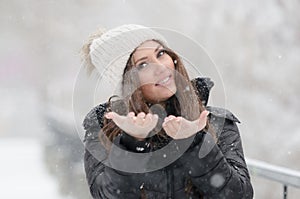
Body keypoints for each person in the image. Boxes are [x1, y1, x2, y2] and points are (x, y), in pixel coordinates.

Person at [81, 24, 253, 199]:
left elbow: (240, 195)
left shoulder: (215, 122)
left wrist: (195, 142)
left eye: (160, 54)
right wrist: (131, 143)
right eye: (143, 65)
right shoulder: (103, 131)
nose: (161, 67)